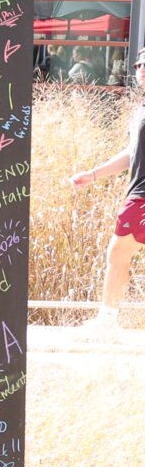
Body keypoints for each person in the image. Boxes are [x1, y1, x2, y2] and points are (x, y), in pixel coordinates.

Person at [69, 86, 145, 325]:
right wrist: (93, 175)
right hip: (138, 194)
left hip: (141, 197)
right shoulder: (141, 110)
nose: (142, 68)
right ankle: (108, 317)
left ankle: (107, 319)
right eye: (139, 64)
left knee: (119, 252)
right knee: (119, 252)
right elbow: (132, 152)